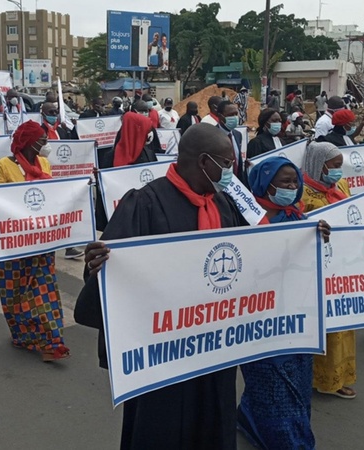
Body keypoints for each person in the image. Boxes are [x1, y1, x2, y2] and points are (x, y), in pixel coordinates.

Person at [77, 124, 248, 449]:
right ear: (203, 162)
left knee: (214, 421)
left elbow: (254, 254)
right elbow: (113, 274)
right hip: (165, 352)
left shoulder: (221, 204)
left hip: (214, 345)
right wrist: (95, 266)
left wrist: (307, 236)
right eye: (226, 164)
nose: (230, 172)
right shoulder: (145, 204)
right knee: (163, 428)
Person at [238, 156, 329, 449]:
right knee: (272, 388)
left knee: (297, 386)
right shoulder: (244, 218)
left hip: (296, 319)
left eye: (294, 181)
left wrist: (319, 235)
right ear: (266, 184)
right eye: (284, 182)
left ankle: (249, 419)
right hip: (259, 321)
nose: (292, 187)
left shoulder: (297, 218)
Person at [0, 120, 70, 362]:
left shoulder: (44, 163)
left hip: (41, 242)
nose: (46, 144)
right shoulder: (3, 166)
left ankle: (52, 341)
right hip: (14, 244)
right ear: (29, 143)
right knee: (15, 292)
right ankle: (23, 335)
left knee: (44, 291)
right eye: (42, 140)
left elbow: (54, 195)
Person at [300, 141, 358, 399]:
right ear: (318, 164)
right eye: (334, 167)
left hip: (341, 267)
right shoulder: (301, 193)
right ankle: (319, 378)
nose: (338, 172)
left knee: (341, 325)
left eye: (340, 167)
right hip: (314, 270)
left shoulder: (341, 186)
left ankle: (335, 376)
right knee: (321, 326)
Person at [39, 102, 84, 260]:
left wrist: (73, 131)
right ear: (43, 113)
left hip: (62, 179)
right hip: (44, 177)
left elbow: (73, 148)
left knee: (63, 212)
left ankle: (69, 247)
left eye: (56, 112)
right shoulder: (39, 131)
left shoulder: (61, 130)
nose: (54, 115)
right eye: (51, 112)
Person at [214, 101, 246, 185]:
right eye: (231, 115)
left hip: (236, 186)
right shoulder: (212, 135)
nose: (235, 117)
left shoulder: (237, 135)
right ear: (220, 116)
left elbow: (238, 162)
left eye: (236, 114)